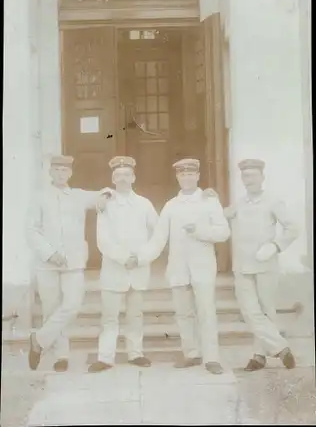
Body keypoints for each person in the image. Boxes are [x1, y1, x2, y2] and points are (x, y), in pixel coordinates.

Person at [136, 158, 230, 374]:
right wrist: (140, 258)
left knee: (206, 311)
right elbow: (159, 238)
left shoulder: (209, 201)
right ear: (177, 177)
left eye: (190, 174)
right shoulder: (171, 205)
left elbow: (224, 232)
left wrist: (199, 231)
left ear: (198, 176)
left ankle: (212, 358)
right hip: (178, 267)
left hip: (203, 266)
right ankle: (192, 353)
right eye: (182, 175)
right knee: (183, 313)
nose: (186, 178)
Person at [26, 155, 112, 372]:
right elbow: (31, 230)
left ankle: (38, 340)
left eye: (64, 170)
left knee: (72, 304)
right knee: (51, 308)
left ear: (70, 173)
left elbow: (104, 193)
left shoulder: (78, 196)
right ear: (50, 173)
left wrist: (107, 193)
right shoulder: (39, 198)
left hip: (73, 262)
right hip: (47, 263)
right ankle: (61, 356)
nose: (61, 174)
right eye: (56, 170)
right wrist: (50, 253)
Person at [224, 158, 299, 371]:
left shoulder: (273, 201)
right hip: (242, 266)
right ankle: (281, 347)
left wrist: (275, 246)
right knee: (249, 311)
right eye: (246, 176)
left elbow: (292, 228)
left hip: (266, 265)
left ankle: (258, 356)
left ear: (262, 177)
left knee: (266, 312)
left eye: (253, 176)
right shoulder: (239, 202)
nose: (249, 180)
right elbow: (223, 215)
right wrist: (210, 199)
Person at [88, 156, 158, 373]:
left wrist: (141, 257)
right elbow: (103, 239)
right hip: (114, 269)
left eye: (127, 175)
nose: (123, 179)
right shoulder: (106, 203)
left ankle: (135, 353)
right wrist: (122, 257)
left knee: (135, 314)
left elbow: (158, 235)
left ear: (134, 177)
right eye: (118, 176)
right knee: (110, 316)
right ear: (112, 179)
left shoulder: (145, 204)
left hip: (138, 268)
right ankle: (105, 357)